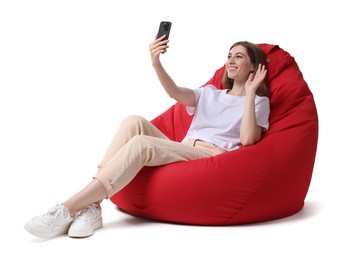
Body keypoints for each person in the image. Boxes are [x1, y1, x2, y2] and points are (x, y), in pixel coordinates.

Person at [24, 35, 271, 239]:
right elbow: (174, 92)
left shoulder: (258, 102)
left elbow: (249, 140)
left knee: (143, 145)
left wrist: (249, 94)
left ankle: (68, 208)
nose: (230, 60)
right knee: (133, 122)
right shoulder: (209, 93)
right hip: (184, 147)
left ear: (254, 66)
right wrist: (156, 62)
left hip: (212, 155)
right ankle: (94, 206)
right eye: (229, 55)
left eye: (239, 56)